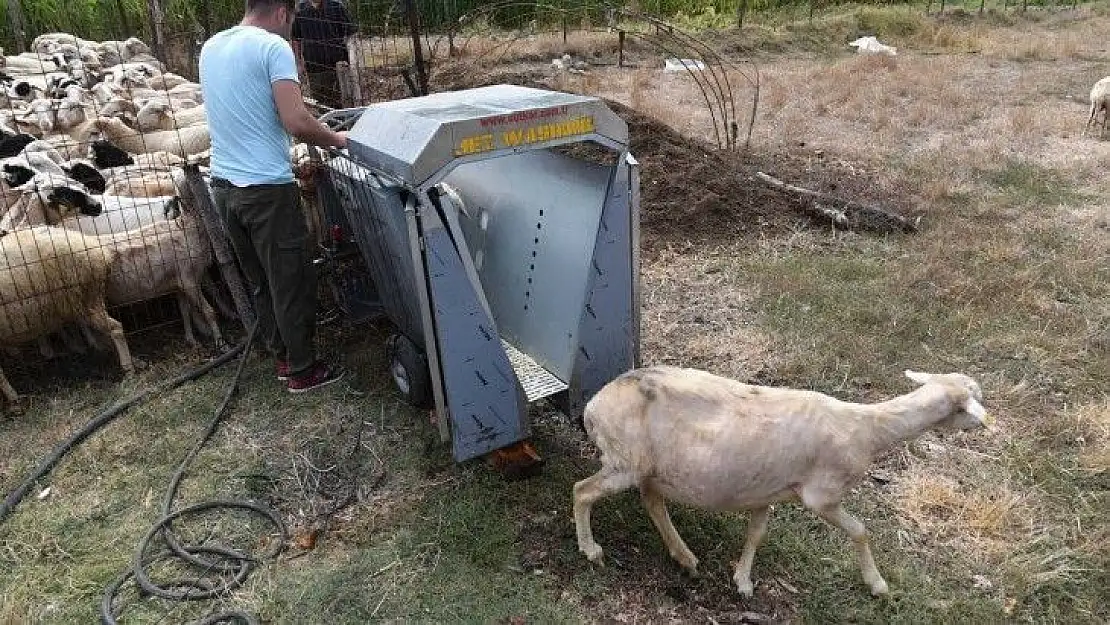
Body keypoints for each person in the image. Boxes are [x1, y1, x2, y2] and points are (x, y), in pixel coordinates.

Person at [198, 0, 347, 393]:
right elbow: (296, 121)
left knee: (262, 281)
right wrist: (337, 140)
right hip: (266, 189)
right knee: (290, 278)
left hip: (225, 188)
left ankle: (282, 357)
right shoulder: (272, 47)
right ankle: (303, 369)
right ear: (282, 12)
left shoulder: (211, 47)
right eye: (291, 20)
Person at [291, 0, 357, 110]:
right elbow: (296, 38)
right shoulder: (299, 10)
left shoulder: (336, 6)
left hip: (338, 67)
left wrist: (352, 60)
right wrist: (298, 62)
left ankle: (345, 126)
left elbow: (350, 35)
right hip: (314, 68)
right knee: (321, 105)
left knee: (343, 103)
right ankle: (327, 126)